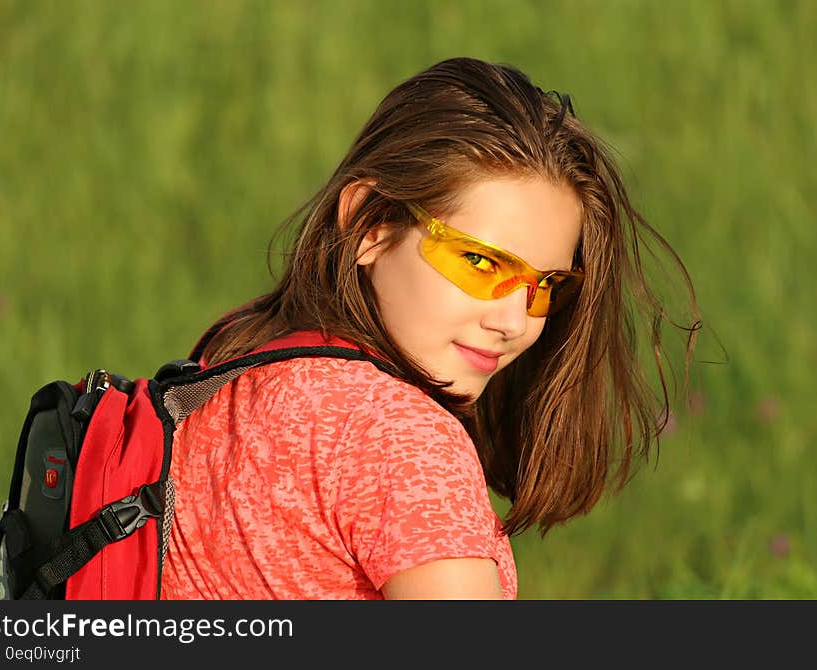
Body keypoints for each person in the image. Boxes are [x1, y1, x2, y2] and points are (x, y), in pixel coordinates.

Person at [160, 56, 698, 600]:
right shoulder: (401, 438)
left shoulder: (239, 357)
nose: (515, 322)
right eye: (482, 263)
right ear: (369, 221)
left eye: (547, 286)